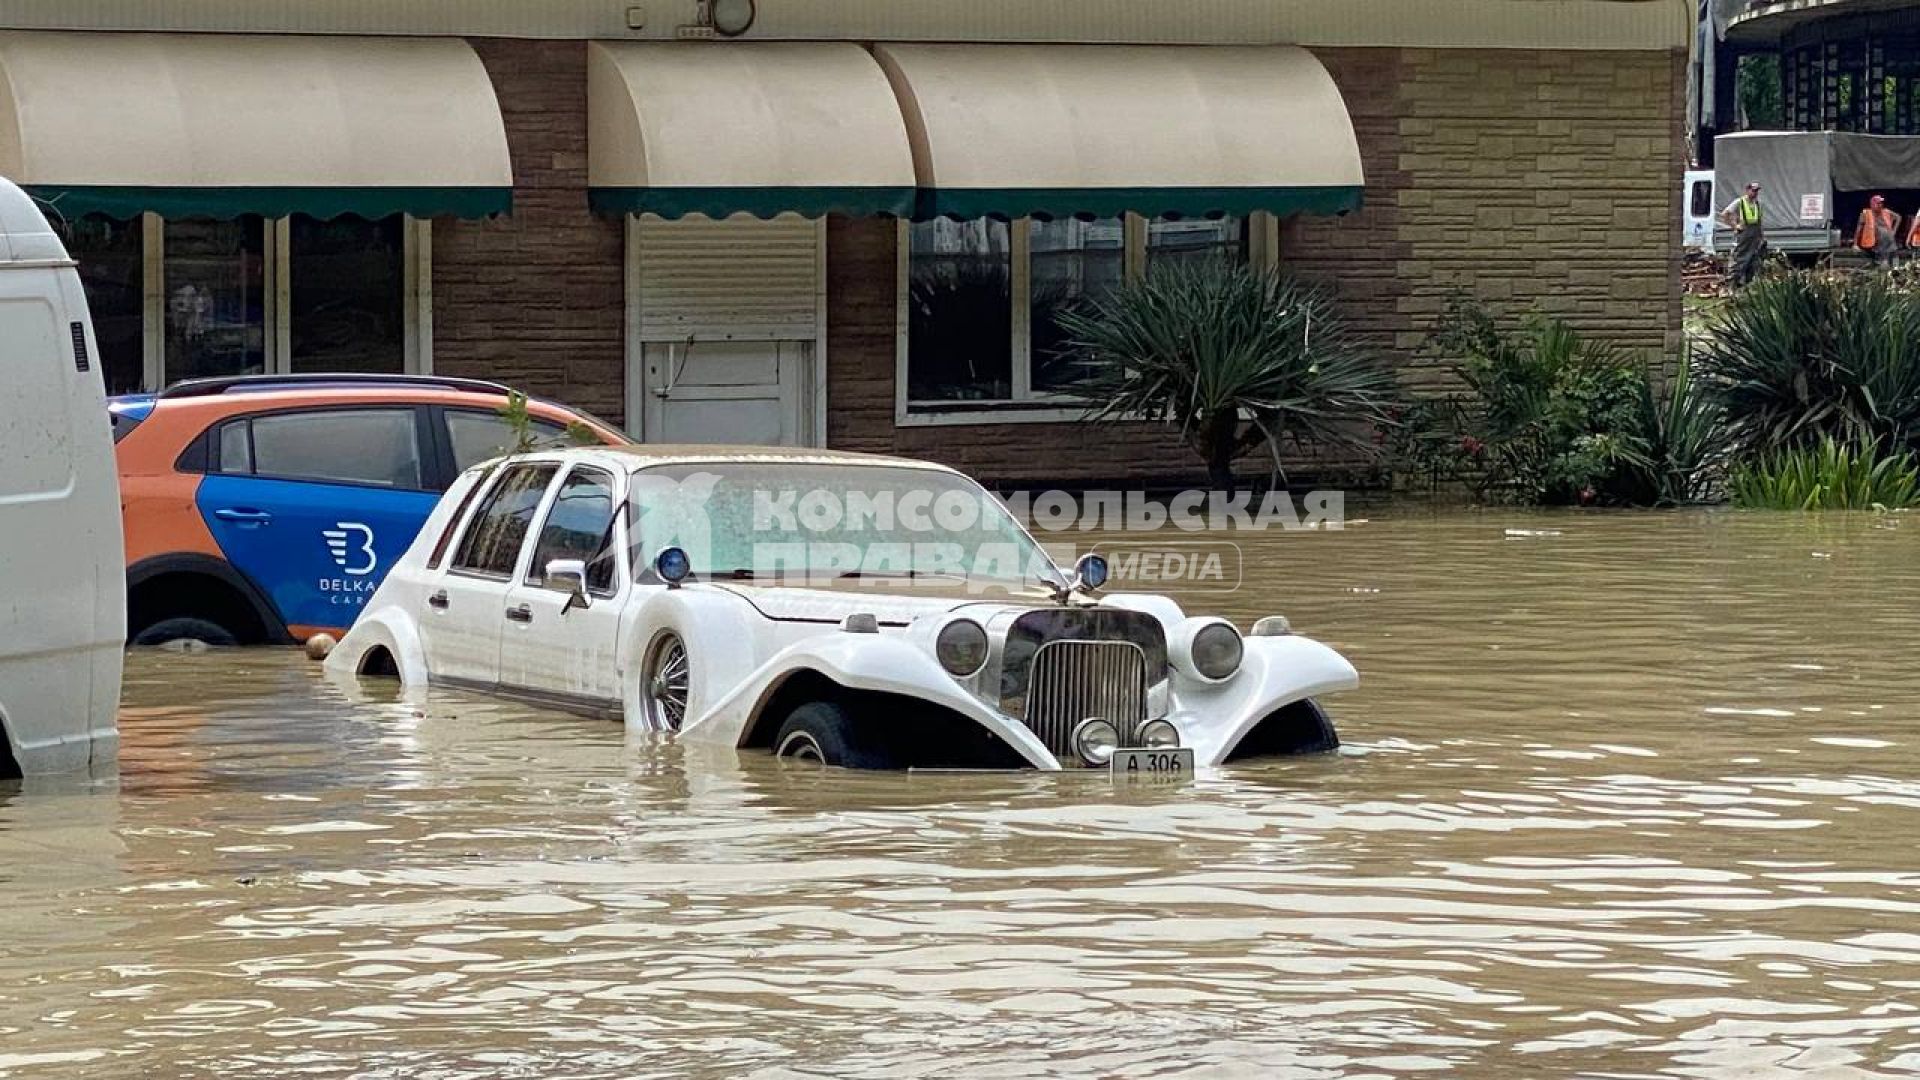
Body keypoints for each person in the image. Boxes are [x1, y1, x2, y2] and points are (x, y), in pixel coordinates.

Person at [1719, 182, 1767, 286]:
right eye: (1753, 190)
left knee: (1753, 260)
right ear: (1747, 190)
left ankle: (1746, 285)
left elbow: (1759, 221)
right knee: (1739, 259)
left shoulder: (1757, 204)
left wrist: (1762, 236)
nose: (1755, 193)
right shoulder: (1739, 202)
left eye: (1757, 191)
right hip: (1743, 234)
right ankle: (1731, 285)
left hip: (1755, 235)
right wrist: (1735, 226)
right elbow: (1724, 215)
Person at [1856, 194, 1899, 268]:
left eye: (1881, 203)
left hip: (1889, 241)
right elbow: (1859, 229)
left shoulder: (1886, 211)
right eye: (1878, 203)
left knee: (1894, 259)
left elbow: (1898, 217)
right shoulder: (1866, 213)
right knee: (1882, 262)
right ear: (1872, 204)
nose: (1880, 205)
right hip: (1876, 241)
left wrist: (1894, 230)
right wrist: (1855, 244)